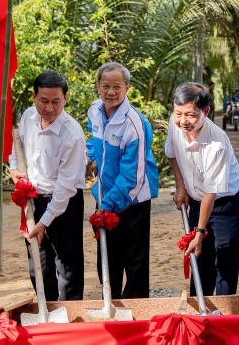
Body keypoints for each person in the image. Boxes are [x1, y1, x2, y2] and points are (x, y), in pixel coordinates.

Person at [9, 71, 86, 301]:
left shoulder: (72, 134)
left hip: (65, 205)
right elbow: (17, 149)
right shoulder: (28, 117)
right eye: (43, 101)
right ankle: (49, 311)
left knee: (67, 266)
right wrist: (14, 169)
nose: (49, 108)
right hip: (34, 200)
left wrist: (44, 223)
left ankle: (71, 319)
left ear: (65, 98)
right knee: (38, 265)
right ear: (33, 97)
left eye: (56, 102)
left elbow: (65, 189)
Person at [86, 62, 159, 299]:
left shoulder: (134, 123)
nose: (111, 92)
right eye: (106, 86)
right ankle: (112, 303)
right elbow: (93, 137)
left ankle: (137, 313)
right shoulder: (95, 110)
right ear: (98, 87)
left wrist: (108, 205)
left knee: (134, 261)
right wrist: (90, 155)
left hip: (132, 200)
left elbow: (132, 176)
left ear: (127, 88)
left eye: (117, 87)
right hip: (106, 196)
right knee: (107, 256)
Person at [166, 82, 239, 296]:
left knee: (224, 255)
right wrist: (181, 187)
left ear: (206, 112)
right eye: (178, 114)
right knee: (199, 256)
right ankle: (199, 305)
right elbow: (172, 153)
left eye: (191, 115)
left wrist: (200, 232)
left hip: (225, 200)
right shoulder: (175, 124)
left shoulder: (216, 143)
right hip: (196, 196)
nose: (183, 121)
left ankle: (224, 310)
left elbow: (211, 193)